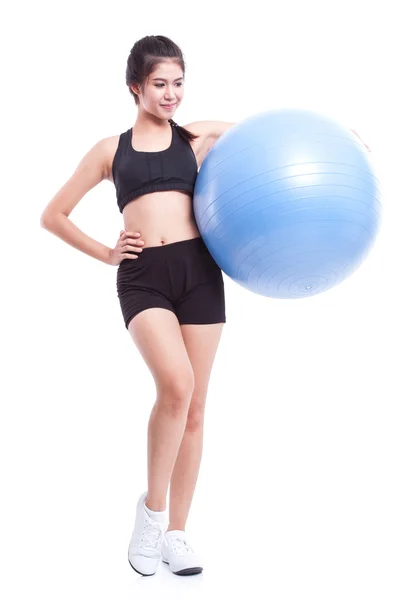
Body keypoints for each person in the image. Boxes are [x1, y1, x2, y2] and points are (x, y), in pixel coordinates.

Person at [40, 35, 236, 578]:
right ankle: (150, 516)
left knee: (196, 407)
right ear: (135, 86)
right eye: (159, 84)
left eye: (178, 83)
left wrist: (337, 139)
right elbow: (53, 214)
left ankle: (177, 533)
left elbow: (258, 136)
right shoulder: (111, 150)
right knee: (176, 386)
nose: (171, 93)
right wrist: (106, 252)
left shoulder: (193, 137)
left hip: (200, 273)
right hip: (143, 278)